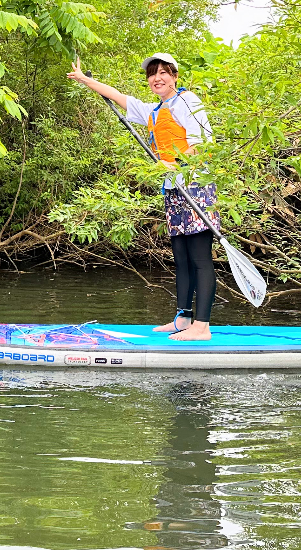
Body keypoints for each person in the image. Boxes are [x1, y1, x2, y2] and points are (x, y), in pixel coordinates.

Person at [67, 53, 220, 340]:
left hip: (196, 186)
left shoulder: (188, 102)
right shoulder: (153, 111)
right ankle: (183, 318)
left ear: (174, 76)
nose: (157, 78)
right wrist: (84, 79)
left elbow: (204, 144)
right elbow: (118, 97)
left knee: (200, 258)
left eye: (163, 72)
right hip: (173, 189)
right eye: (152, 74)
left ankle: (202, 326)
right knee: (181, 257)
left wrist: (174, 163)